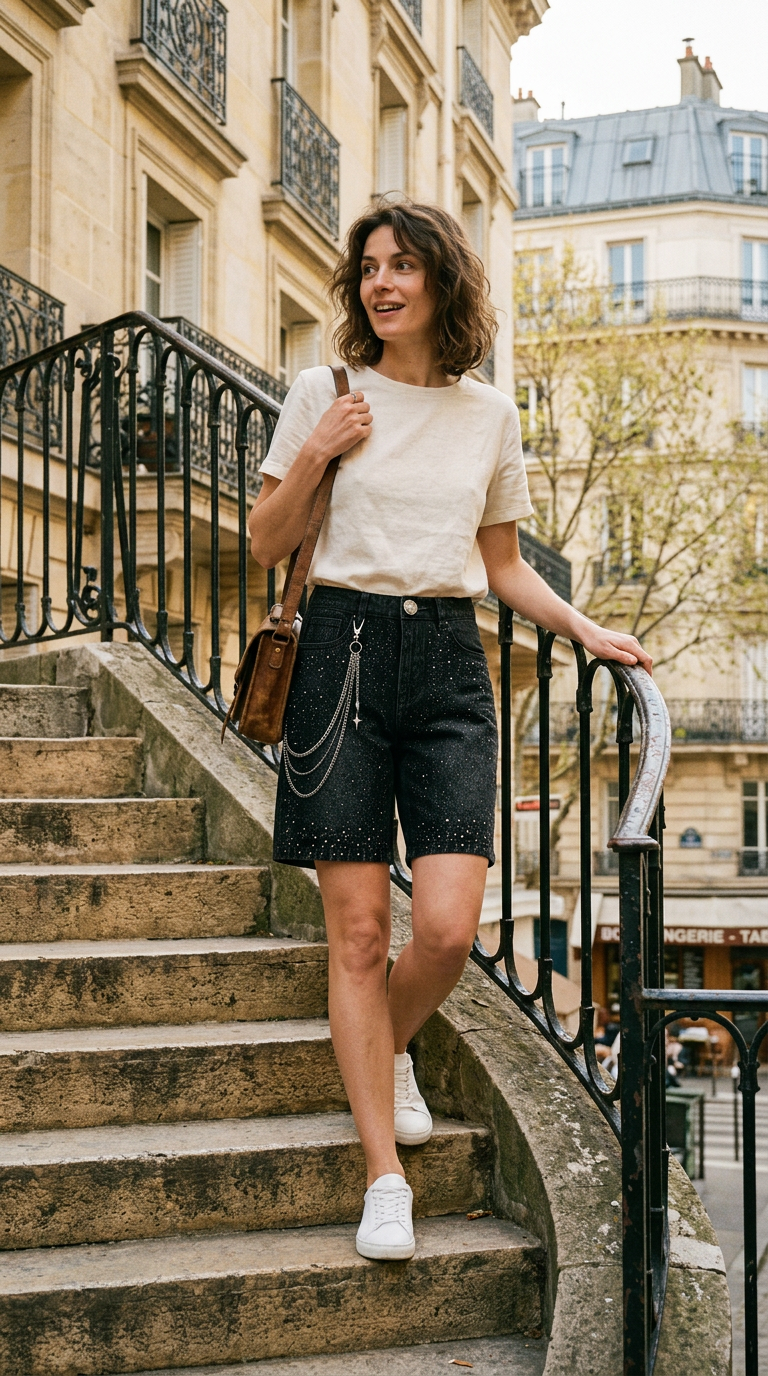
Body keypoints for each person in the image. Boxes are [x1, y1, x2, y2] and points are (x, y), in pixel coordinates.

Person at [249, 201, 652, 1262]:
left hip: (447, 666)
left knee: (443, 926)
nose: (382, 284)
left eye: (404, 267)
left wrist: (585, 627)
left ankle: (387, 1044)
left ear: (442, 283)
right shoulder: (321, 393)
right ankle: (384, 1172)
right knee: (358, 933)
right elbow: (264, 542)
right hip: (337, 651)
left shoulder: (489, 417)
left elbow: (505, 563)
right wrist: (317, 454)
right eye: (369, 268)